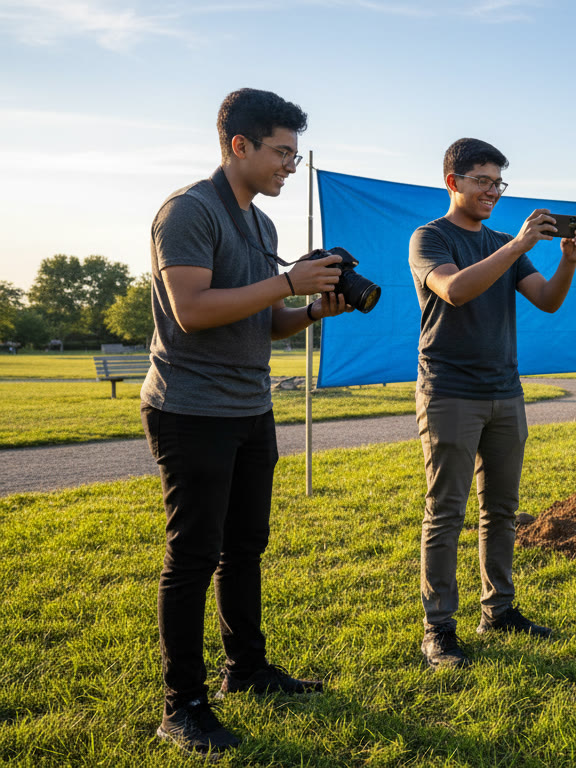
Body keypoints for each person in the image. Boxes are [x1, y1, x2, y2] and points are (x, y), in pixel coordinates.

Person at [141, 89, 344, 755]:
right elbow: (195, 308)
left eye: (295, 153)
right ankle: (183, 706)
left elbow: (263, 321)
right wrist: (289, 284)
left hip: (249, 406)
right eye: (282, 152)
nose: (291, 165)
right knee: (194, 554)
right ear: (240, 146)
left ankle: (248, 673)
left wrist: (314, 309)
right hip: (189, 408)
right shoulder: (188, 212)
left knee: (245, 547)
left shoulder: (261, 226)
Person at [410, 137, 576, 671]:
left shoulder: (502, 243)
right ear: (453, 183)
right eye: (482, 181)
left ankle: (500, 610)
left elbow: (550, 301)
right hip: (449, 391)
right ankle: (438, 629)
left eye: (498, 183)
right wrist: (514, 246)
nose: (492, 191)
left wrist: (569, 261)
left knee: (502, 511)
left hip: (505, 391)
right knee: (446, 512)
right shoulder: (430, 238)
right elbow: (455, 290)